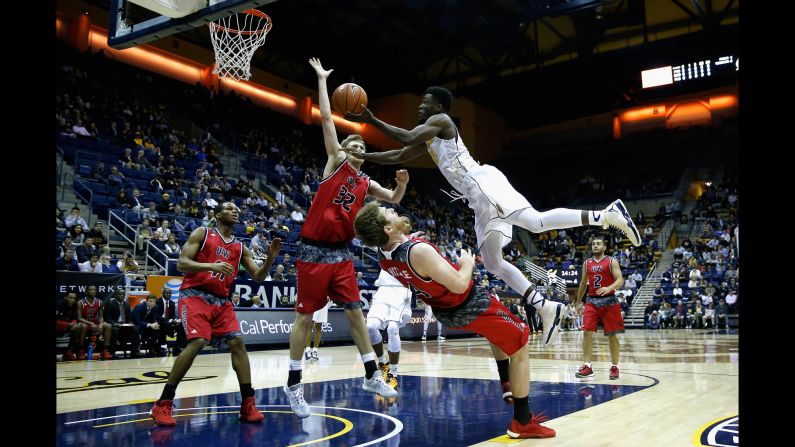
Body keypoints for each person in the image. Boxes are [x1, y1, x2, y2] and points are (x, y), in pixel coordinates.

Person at [343, 86, 640, 345]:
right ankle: (544, 306)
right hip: (476, 196)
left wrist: (370, 119)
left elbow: (405, 135)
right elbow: (399, 154)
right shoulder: (429, 137)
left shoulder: (440, 120)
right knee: (495, 262)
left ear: (438, 106)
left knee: (534, 222)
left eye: (425, 101)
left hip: (481, 182)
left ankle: (606, 215)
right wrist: (363, 157)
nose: (420, 106)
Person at [354, 202, 555, 439]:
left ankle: (507, 385)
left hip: (444, 309)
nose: (393, 211)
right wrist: (467, 264)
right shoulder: (418, 251)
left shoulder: (383, 256)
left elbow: (410, 263)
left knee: (497, 333)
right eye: (387, 213)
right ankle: (523, 421)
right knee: (520, 339)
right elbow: (459, 284)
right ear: (387, 229)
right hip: (468, 303)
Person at [282, 58, 405, 419]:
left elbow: (395, 201)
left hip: (340, 254)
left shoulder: (367, 184)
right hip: (311, 251)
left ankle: (371, 375)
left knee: (355, 312)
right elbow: (324, 117)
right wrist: (321, 80)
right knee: (304, 320)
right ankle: (293, 384)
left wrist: (401, 186)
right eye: (355, 146)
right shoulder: (335, 162)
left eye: (363, 149)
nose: (359, 152)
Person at [149, 202, 282, 426]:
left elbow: (258, 277)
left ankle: (248, 403)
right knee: (198, 341)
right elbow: (181, 263)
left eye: (236, 209)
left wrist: (269, 259)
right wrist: (211, 266)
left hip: (221, 301)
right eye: (230, 208)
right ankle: (163, 403)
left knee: (237, 341)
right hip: (194, 295)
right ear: (218, 214)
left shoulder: (240, 248)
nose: (235, 210)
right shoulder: (203, 233)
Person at [365, 216, 415, 389]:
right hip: (384, 289)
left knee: (393, 328)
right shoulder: (382, 241)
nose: (403, 221)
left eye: (405, 221)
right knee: (370, 326)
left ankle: (393, 372)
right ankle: (382, 362)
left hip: (401, 290)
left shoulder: (411, 245)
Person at [573, 235, 624, 381]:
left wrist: (609, 288)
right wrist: (578, 302)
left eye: (598, 243)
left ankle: (615, 367)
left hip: (610, 301)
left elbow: (620, 279)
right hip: (591, 301)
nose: (595, 245)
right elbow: (583, 283)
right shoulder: (587, 263)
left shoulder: (611, 261)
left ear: (604, 247)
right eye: (593, 243)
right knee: (587, 332)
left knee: (612, 336)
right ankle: (587, 366)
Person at [76, 286, 114, 360]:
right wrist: (90, 323)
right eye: (90, 290)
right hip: (84, 323)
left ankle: (105, 351)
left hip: (94, 323)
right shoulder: (80, 302)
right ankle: (81, 350)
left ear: (96, 292)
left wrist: (101, 324)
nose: (92, 291)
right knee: (83, 326)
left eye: (94, 290)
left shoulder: (100, 302)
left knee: (108, 326)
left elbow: (101, 317)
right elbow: (79, 318)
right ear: (86, 292)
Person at [56, 292, 86, 361]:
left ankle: (69, 351)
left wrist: (74, 324)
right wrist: (68, 324)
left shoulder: (75, 305)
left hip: (68, 327)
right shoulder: (58, 305)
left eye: (74, 298)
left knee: (79, 327)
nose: (72, 300)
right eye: (71, 298)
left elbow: (75, 318)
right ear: (65, 297)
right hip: (59, 326)